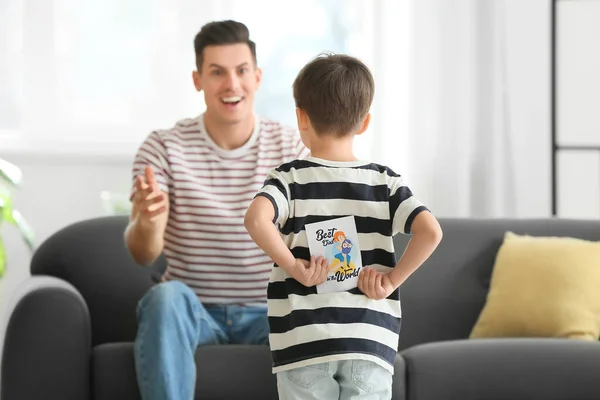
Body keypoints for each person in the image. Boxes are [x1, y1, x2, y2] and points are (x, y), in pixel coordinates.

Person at [125, 20, 309, 400]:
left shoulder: (291, 148)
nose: (231, 84)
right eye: (217, 73)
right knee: (165, 297)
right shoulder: (163, 147)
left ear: (257, 77)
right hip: (194, 314)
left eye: (241, 71)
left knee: (312, 311)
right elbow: (144, 253)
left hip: (271, 312)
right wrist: (148, 221)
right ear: (197, 80)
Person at [244, 53, 443, 399]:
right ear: (364, 123)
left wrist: (294, 266)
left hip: (303, 341)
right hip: (369, 340)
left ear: (301, 119)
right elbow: (431, 231)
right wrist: (391, 281)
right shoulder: (384, 182)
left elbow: (256, 219)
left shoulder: (289, 178)